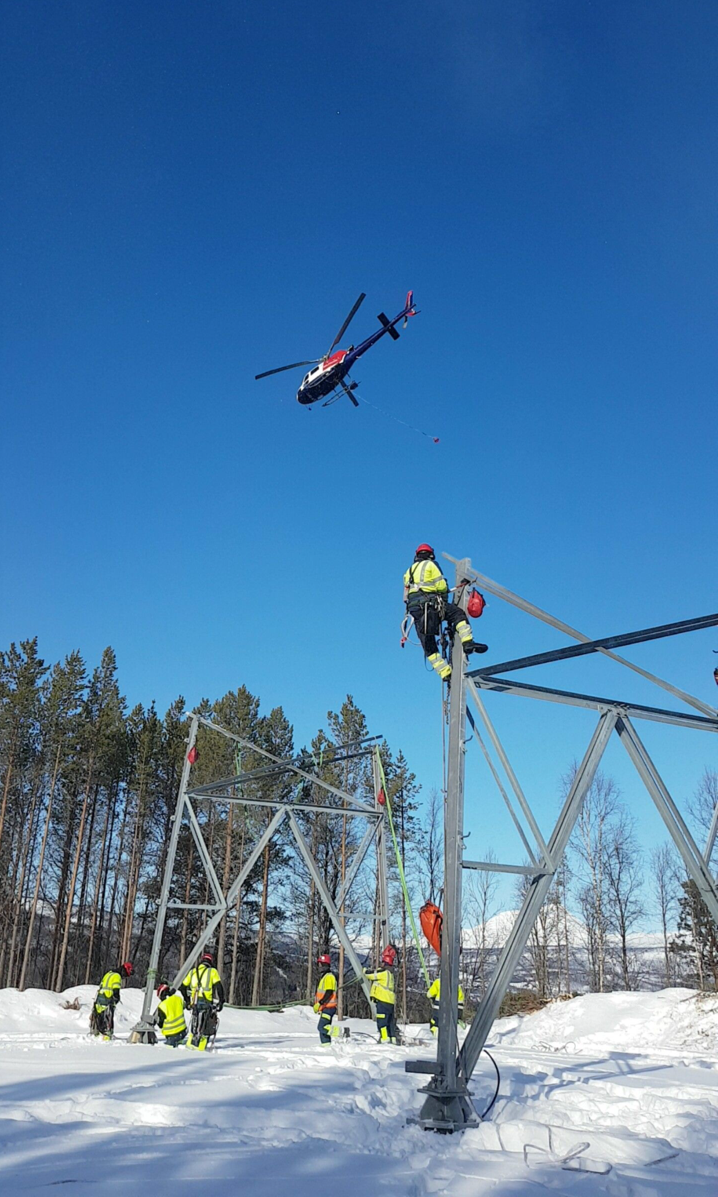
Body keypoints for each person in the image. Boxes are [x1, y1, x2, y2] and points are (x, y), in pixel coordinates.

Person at [403, 544, 487, 681]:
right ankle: (467, 643)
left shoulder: (409, 571)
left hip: (416, 611)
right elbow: (441, 586)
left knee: (428, 643)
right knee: (457, 614)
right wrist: (444, 600)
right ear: (430, 555)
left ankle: (444, 673)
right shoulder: (431, 565)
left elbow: (406, 594)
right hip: (431, 604)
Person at [180, 950, 225, 1051]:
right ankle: (201, 1047)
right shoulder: (212, 971)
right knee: (206, 1025)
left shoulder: (192, 972)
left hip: (194, 1002)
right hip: (206, 1002)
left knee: (195, 1023)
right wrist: (221, 1001)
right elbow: (219, 987)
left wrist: (187, 1000)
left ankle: (190, 1043)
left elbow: (182, 987)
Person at [91, 961, 133, 1039]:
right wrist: (116, 999)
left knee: (98, 1019)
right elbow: (116, 990)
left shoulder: (108, 974)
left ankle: (96, 1036)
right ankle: (106, 1037)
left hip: (99, 999)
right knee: (107, 1022)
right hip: (108, 1000)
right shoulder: (117, 976)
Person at [366, 944, 399, 1044]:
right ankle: (393, 1039)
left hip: (383, 1000)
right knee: (390, 1022)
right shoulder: (390, 974)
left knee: (382, 1021)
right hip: (390, 1001)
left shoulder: (384, 973)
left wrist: (365, 971)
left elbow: (370, 975)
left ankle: (384, 1039)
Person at [313, 952, 338, 1044]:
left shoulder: (329, 977)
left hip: (329, 1008)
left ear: (324, 965)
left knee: (321, 1027)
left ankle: (340, 1032)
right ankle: (326, 1045)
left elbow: (329, 992)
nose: (319, 967)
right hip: (325, 1007)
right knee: (324, 1030)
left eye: (320, 964)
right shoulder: (325, 977)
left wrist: (320, 1003)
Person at [154, 982, 188, 1047]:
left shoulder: (162, 1006)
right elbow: (183, 1006)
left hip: (171, 1035)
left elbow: (160, 1024)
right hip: (183, 1032)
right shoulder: (178, 998)